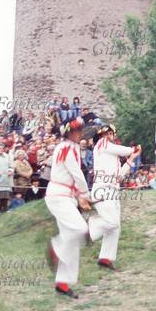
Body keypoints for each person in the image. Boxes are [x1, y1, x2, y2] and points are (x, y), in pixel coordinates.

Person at [45, 118, 92, 299]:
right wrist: (85, 194)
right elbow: (77, 173)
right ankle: (56, 247)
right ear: (68, 133)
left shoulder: (67, 147)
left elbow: (73, 176)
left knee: (73, 240)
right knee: (80, 229)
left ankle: (63, 283)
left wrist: (80, 197)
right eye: (77, 130)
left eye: (81, 129)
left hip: (65, 195)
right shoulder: (67, 148)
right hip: (59, 195)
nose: (81, 133)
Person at [90, 124, 140, 271]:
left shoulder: (113, 156)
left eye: (111, 133)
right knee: (111, 223)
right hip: (103, 189)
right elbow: (122, 149)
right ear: (101, 136)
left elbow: (119, 176)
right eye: (105, 134)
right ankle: (88, 228)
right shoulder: (101, 144)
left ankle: (105, 258)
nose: (107, 136)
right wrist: (133, 149)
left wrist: (132, 158)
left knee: (115, 226)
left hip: (112, 190)